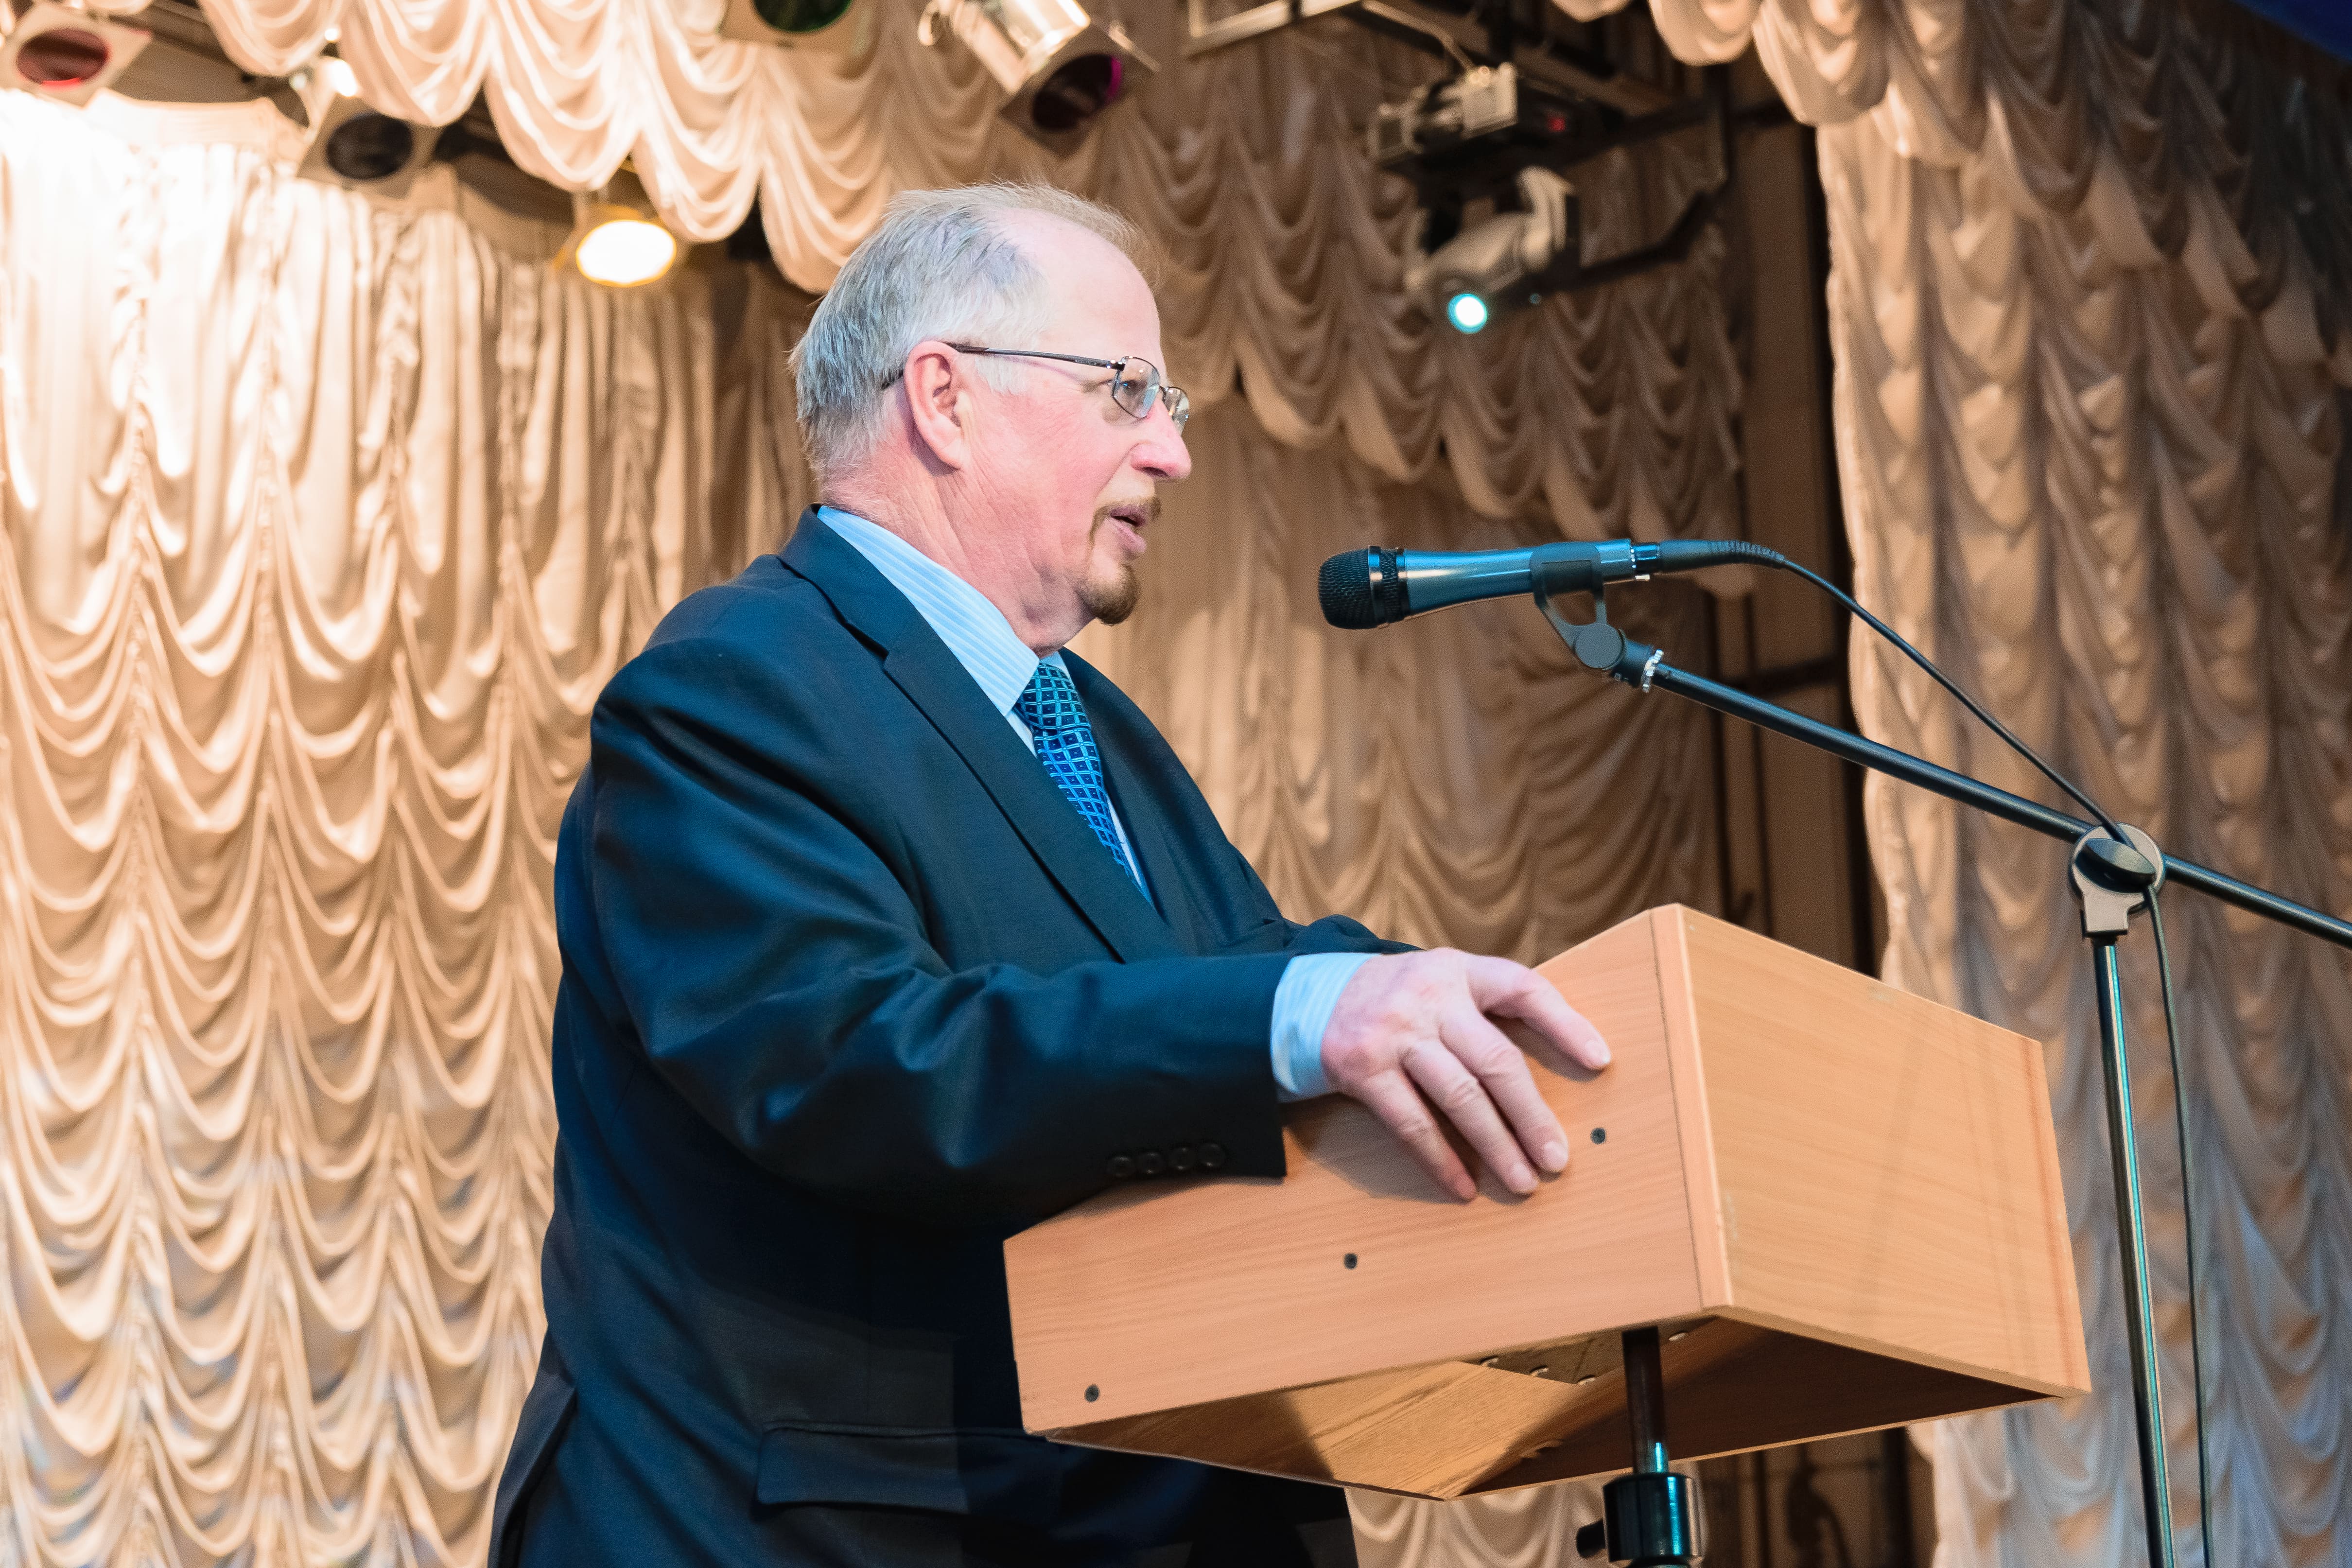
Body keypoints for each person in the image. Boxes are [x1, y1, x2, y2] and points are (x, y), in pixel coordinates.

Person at [489, 182, 1611, 1568]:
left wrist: (1490, 1020)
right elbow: (855, 1060)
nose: (1174, 452)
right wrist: (1301, 1015)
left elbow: (1235, 968)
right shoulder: (730, 687)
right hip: (824, 1530)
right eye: (1129, 390)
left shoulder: (1087, 723)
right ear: (945, 399)